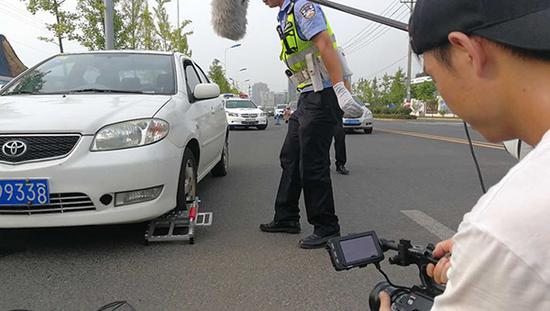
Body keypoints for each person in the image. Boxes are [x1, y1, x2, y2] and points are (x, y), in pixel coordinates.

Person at [378, 0, 550, 309]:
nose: (441, 90)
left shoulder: (506, 226)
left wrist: (487, 251)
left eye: (433, 76)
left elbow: (516, 240)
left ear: (466, 52)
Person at [260, 0, 363, 249]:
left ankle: (327, 226)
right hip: (307, 95)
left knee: (313, 162)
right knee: (291, 156)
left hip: (324, 93)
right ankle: (286, 217)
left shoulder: (303, 8)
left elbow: (325, 44)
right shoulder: (285, 16)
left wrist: (340, 88)